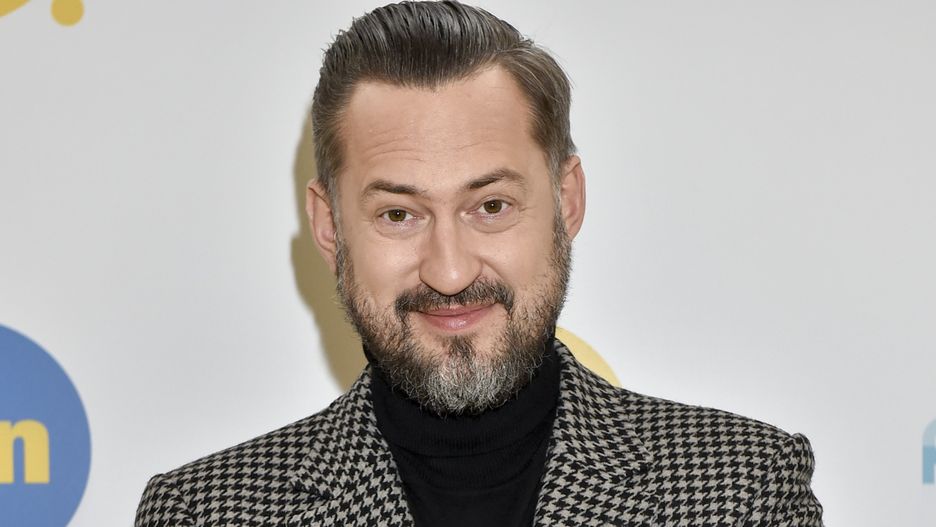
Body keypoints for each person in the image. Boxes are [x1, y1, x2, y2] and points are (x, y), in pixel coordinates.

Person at [135, 2, 824, 525]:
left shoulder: (741, 490)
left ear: (566, 200)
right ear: (329, 226)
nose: (450, 271)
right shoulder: (203, 513)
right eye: (398, 214)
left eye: (490, 206)